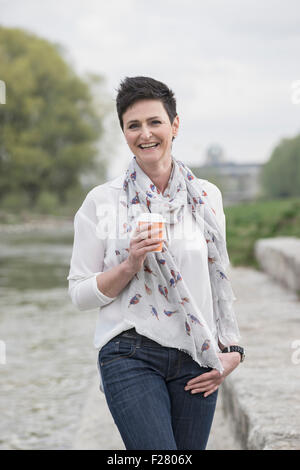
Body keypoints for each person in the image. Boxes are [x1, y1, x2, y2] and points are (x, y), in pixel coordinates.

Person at [67, 76, 244, 450]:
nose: (145, 134)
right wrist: (130, 263)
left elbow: (218, 282)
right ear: (124, 133)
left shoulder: (208, 196)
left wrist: (232, 351)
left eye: (154, 122)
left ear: (174, 126)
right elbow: (79, 293)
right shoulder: (102, 201)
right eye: (133, 126)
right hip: (129, 354)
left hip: (197, 355)